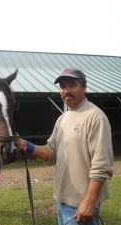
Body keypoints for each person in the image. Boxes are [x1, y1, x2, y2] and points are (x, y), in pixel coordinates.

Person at [16, 68, 114, 225]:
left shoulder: (96, 117)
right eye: (62, 86)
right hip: (62, 202)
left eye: (72, 85)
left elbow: (101, 166)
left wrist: (89, 201)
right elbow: (51, 153)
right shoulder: (62, 119)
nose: (66, 91)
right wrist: (27, 145)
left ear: (84, 87)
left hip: (81, 205)